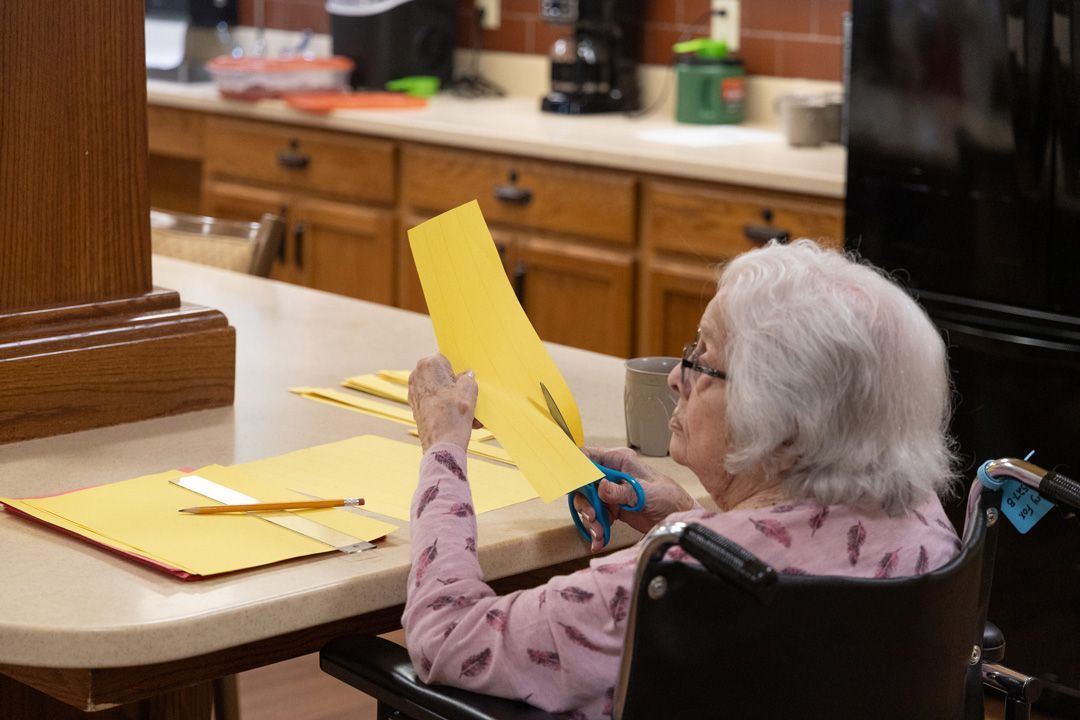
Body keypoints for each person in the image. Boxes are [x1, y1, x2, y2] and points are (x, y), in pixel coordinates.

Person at [402, 240, 961, 719]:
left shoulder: (669, 581)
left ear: (780, 419)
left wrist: (443, 452)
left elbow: (446, 639)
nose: (675, 376)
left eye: (703, 359)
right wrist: (690, 517)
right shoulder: (920, 519)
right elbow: (792, 556)